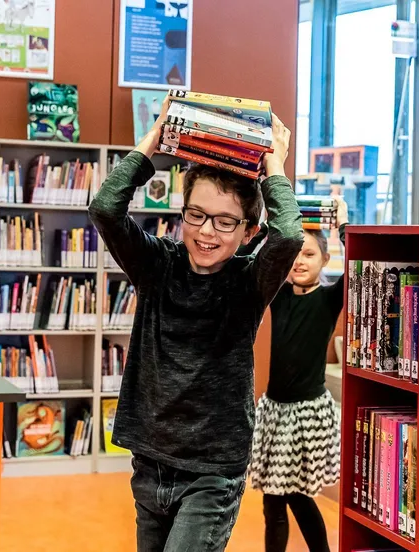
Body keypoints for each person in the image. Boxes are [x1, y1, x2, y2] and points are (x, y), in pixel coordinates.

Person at [88, 97, 304, 552]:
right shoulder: (156, 265)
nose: (207, 232)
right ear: (182, 214)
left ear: (248, 233)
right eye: (197, 215)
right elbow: (106, 208)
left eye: (226, 222)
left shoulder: (249, 282)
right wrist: (156, 139)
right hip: (150, 461)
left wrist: (274, 165)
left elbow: (287, 236)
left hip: (212, 472)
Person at [241, 200, 349, 552]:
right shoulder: (279, 294)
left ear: (325, 260)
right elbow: (257, 257)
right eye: (295, 255)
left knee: (299, 499)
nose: (299, 262)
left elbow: (360, 269)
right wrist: (273, 224)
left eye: (309, 255)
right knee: (272, 502)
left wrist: (343, 226)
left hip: (307, 415)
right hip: (275, 411)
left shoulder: (330, 299)